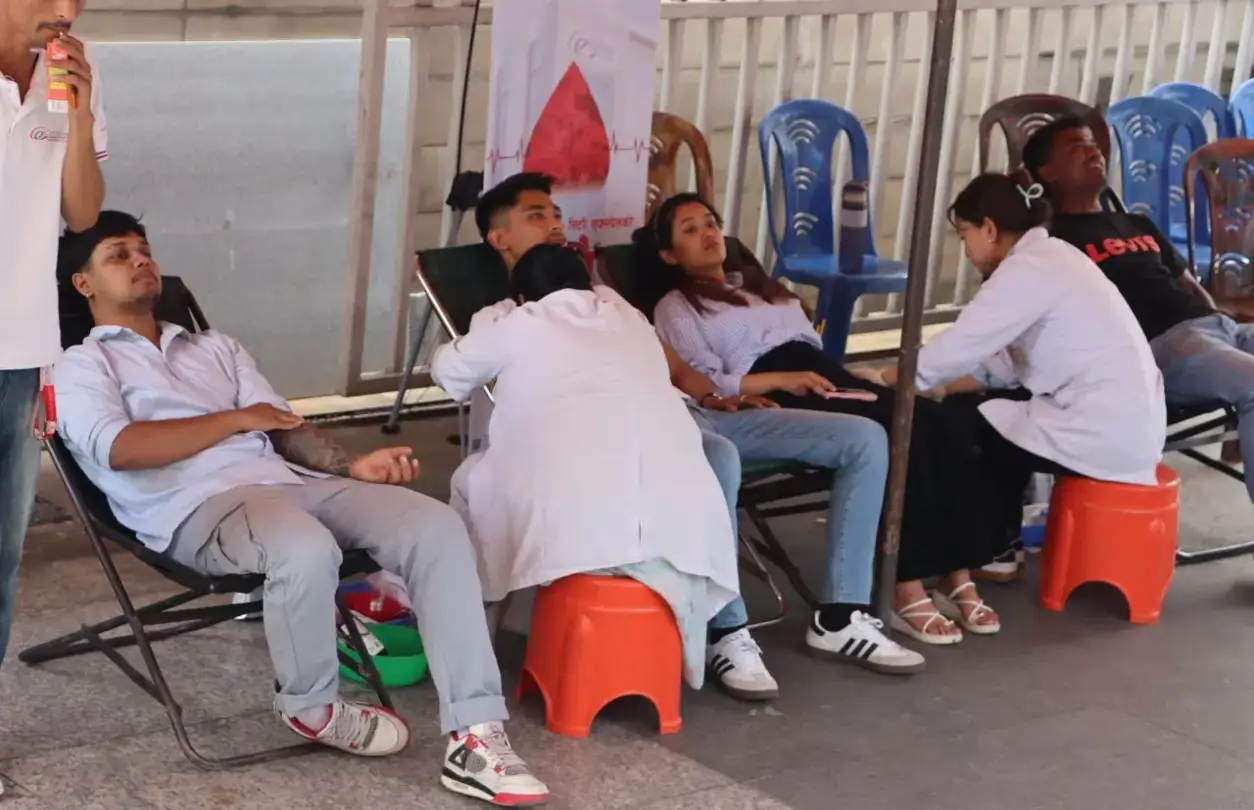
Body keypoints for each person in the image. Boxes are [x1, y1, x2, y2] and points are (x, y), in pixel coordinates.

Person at [52, 212, 550, 808]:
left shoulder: (216, 347)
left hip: (289, 483)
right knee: (305, 546)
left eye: (144, 249)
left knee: (435, 525)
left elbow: (282, 428)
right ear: (83, 284)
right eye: (118, 254)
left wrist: (353, 466)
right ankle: (312, 707)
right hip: (196, 507)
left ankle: (475, 735)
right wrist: (235, 420)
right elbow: (120, 448)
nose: (140, 260)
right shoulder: (82, 365)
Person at [465, 173, 925, 694]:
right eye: (536, 216)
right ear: (499, 237)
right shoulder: (503, 318)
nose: (554, 224)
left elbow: (678, 369)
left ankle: (841, 616)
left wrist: (713, 395)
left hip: (694, 412)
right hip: (641, 434)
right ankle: (725, 631)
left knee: (864, 438)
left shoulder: (604, 299)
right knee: (718, 456)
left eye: (556, 214)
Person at [638, 193, 1016, 646]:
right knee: (903, 432)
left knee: (941, 421)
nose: (708, 234)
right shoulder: (676, 307)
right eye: (690, 230)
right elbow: (710, 381)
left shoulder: (757, 285)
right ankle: (906, 583)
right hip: (774, 387)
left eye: (710, 222)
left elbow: (809, 344)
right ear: (669, 255)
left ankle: (956, 575)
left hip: (819, 374)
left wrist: (817, 372)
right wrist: (785, 378)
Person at [432, 242, 743, 691]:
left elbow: (448, 371)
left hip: (583, 523)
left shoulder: (519, 323)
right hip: (683, 529)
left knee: (471, 483)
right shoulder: (630, 319)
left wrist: (492, 315)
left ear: (524, 296)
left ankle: (469, 631)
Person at [885, 173, 1164, 526]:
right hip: (1129, 427)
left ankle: (978, 543)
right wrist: (943, 386)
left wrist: (888, 379)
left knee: (953, 429)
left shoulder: (1027, 268)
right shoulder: (1054, 256)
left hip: (1100, 431)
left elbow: (959, 345)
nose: (966, 250)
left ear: (989, 229)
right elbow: (1004, 364)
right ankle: (1000, 540)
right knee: (978, 413)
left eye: (964, 235)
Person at [1022, 117, 1254, 494]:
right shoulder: (1049, 241)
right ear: (1047, 172)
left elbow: (1190, 285)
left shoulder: (1137, 223)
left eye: (1093, 144)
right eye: (1076, 147)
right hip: (1162, 347)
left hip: (1217, 329)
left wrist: (1218, 320)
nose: (1093, 151)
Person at [0, 0, 107, 669]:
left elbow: (83, 213)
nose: (66, 11)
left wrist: (80, 116)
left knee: (2, 557)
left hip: (19, 351)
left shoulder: (72, 72)